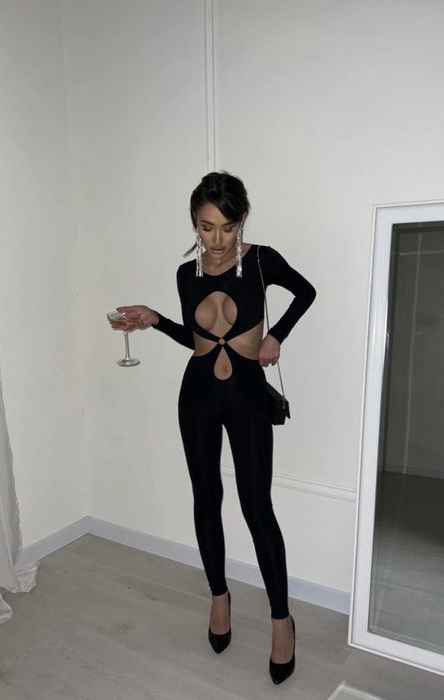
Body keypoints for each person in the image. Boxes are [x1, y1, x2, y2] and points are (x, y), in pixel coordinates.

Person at [111, 172, 316, 684]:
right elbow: (196, 340)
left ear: (241, 220)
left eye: (227, 227)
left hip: (246, 397)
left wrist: (276, 335)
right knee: (206, 498)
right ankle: (218, 597)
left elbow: (306, 292)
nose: (217, 239)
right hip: (198, 396)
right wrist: (155, 319)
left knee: (256, 507)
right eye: (206, 228)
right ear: (194, 224)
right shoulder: (187, 274)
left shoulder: (262, 260)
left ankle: (281, 620)